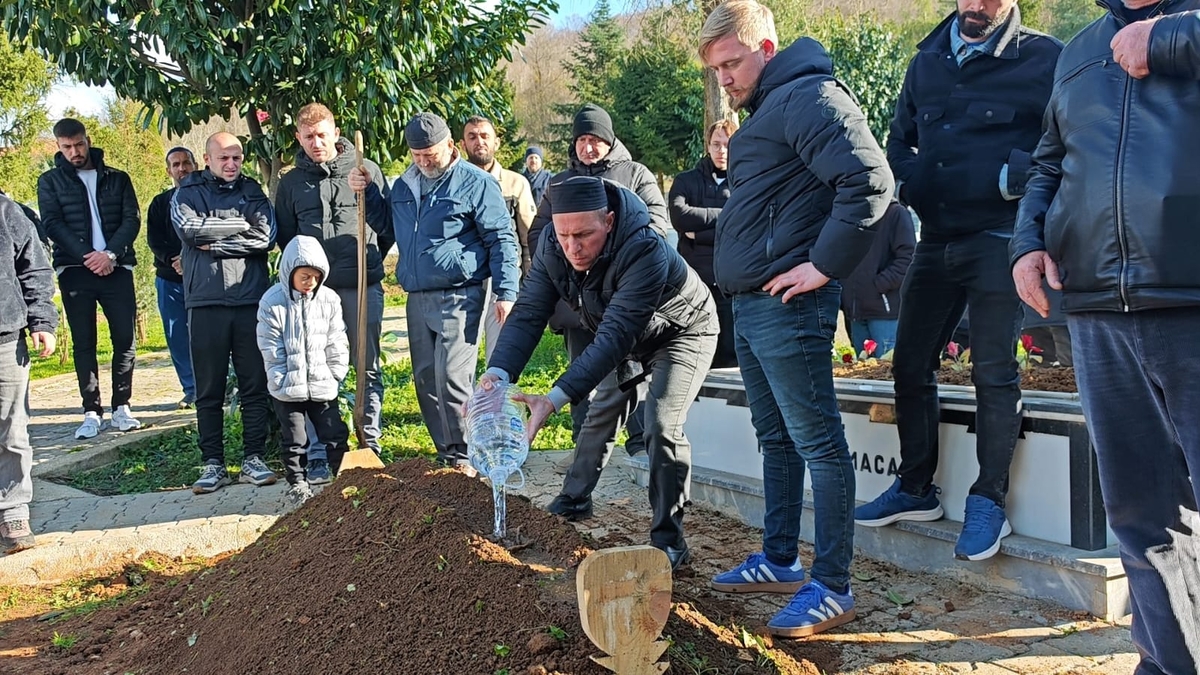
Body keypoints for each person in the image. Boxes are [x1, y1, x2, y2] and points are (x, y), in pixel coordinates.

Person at [1011, 2, 1200, 671]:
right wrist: (1027, 242)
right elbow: (1048, 161)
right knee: (1143, 515)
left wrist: (1174, 39)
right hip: (1097, 310)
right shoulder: (1079, 50)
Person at [699, 0, 893, 637]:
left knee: (819, 445)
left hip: (791, 305)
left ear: (767, 47)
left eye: (732, 62)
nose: (724, 78)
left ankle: (832, 585)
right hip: (753, 305)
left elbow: (868, 178)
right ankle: (780, 557)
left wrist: (823, 266)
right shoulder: (771, 108)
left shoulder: (809, 95)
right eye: (715, 68)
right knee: (776, 439)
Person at [855, 0, 1063, 562]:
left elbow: (1065, 144)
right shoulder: (926, 61)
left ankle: (988, 499)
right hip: (937, 239)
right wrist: (916, 181)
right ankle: (915, 487)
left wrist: (1010, 179)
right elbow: (898, 142)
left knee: (994, 370)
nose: (976, 5)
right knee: (908, 361)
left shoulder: (1044, 58)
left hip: (1002, 239)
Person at [484, 176, 717, 569]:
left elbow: (612, 339)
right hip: (625, 331)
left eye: (584, 235)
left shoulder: (644, 247)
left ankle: (668, 540)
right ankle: (574, 500)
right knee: (602, 410)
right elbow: (527, 314)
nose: (573, 248)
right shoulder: (552, 247)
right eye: (564, 235)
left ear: (608, 221)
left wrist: (553, 399)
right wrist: (495, 377)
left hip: (681, 331)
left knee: (661, 425)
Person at [349, 112, 520, 469]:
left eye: (432, 154)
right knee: (426, 378)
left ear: (451, 146)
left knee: (452, 379)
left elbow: (502, 238)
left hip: (462, 294)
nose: (425, 161)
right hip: (417, 295)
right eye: (418, 155)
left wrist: (506, 291)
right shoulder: (404, 186)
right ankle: (447, 452)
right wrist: (366, 194)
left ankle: (466, 454)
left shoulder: (475, 183)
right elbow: (388, 226)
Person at [531, 103, 669, 472]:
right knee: (581, 370)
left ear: (609, 142)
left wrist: (623, 268)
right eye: (581, 140)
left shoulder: (636, 174)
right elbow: (539, 233)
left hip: (627, 296)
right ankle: (583, 449)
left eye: (595, 140)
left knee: (633, 371)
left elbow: (657, 225)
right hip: (578, 303)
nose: (588, 147)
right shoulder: (558, 183)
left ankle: (639, 444)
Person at [275, 103, 392, 471]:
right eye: (308, 137)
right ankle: (322, 453)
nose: (316, 142)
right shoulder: (291, 182)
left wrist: (368, 259)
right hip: (315, 295)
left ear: (335, 132)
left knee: (366, 367)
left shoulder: (364, 168)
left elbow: (386, 225)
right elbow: (288, 240)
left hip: (361, 284)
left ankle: (368, 443)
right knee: (315, 371)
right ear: (299, 138)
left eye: (322, 134)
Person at [172, 132, 278, 494]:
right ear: (208, 159)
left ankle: (253, 458)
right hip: (205, 303)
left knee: (254, 385)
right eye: (224, 159)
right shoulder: (187, 192)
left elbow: (265, 237)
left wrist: (213, 243)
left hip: (250, 301)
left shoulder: (253, 192)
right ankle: (213, 463)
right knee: (209, 389)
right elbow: (188, 230)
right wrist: (239, 226)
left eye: (237, 157)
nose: (231, 164)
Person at [37, 118, 142, 439]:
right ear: (58, 146)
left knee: (124, 339)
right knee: (85, 343)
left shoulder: (116, 178)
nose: (74, 152)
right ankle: (91, 411)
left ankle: (122, 407)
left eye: (79, 144)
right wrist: (89, 256)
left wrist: (109, 254)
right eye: (67, 147)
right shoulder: (50, 182)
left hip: (117, 267)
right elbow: (52, 224)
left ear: (87, 140)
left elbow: (132, 219)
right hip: (75, 271)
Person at [257, 235, 350, 506]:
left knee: (334, 433)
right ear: (289, 272)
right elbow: (269, 345)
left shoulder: (329, 300)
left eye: (315, 277)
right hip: (287, 388)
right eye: (304, 276)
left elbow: (337, 339)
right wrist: (279, 379)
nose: (310, 283)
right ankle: (297, 483)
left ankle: (343, 480)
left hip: (322, 383)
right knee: (295, 440)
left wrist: (335, 374)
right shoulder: (272, 301)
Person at [0, 194, 58, 555]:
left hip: (5, 338)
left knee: (12, 429)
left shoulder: (7, 211)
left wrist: (43, 320)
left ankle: (13, 510)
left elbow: (34, 267)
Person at [461, 115, 537, 361]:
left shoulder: (517, 184)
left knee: (501, 355)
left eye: (485, 136)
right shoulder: (453, 184)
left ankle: (499, 400)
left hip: (502, 279)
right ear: (462, 144)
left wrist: (529, 280)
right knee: (463, 357)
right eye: (472, 137)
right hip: (465, 282)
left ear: (497, 142)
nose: (479, 142)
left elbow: (528, 237)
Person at [669, 118, 739, 368]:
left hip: (731, 284)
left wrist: (698, 234)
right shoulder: (686, 181)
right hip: (693, 286)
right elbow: (679, 216)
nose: (722, 151)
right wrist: (724, 215)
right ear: (707, 146)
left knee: (731, 357)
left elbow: (743, 224)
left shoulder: (745, 182)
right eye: (717, 144)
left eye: (728, 145)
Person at [146, 146, 198, 409]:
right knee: (177, 335)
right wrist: (174, 261)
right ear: (168, 171)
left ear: (196, 165)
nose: (182, 169)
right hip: (170, 279)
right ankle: (191, 389)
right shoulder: (159, 203)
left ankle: (222, 384)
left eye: (186, 163)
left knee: (208, 335)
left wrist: (190, 260)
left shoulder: (206, 198)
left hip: (202, 278)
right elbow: (154, 240)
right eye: (175, 164)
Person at [839, 202, 916, 357]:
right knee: (861, 375)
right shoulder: (847, 212)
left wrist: (880, 284)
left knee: (887, 372)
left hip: (884, 312)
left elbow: (909, 258)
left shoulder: (895, 213)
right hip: (854, 312)